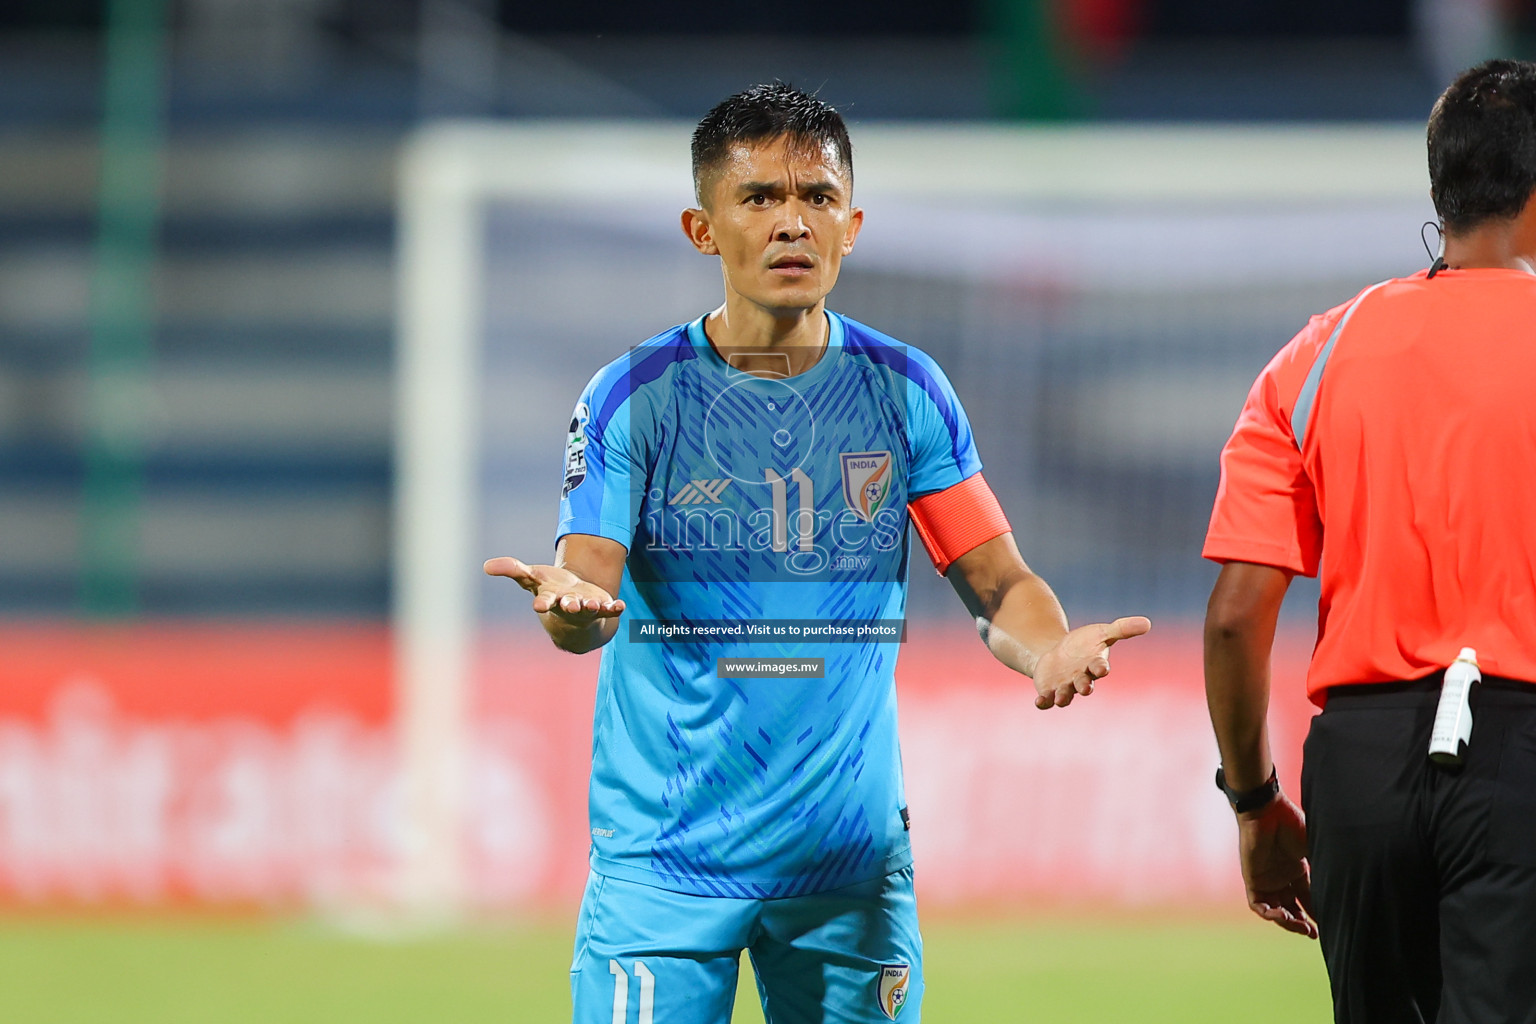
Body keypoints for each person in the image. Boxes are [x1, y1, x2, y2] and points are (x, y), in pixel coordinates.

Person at [485, 82, 1150, 1024]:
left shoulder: (907, 390)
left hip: (846, 863)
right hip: (666, 863)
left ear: (854, 223)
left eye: (817, 198)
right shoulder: (634, 395)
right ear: (702, 228)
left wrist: (1045, 647)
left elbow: (997, 582)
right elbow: (585, 593)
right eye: (759, 198)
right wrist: (567, 607)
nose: (792, 222)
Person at [1202, 58, 1536, 1024]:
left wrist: (1256, 802)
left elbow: (1233, 618)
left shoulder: (1319, 352)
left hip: (1360, 767)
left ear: (1443, 189)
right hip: (1519, 749)